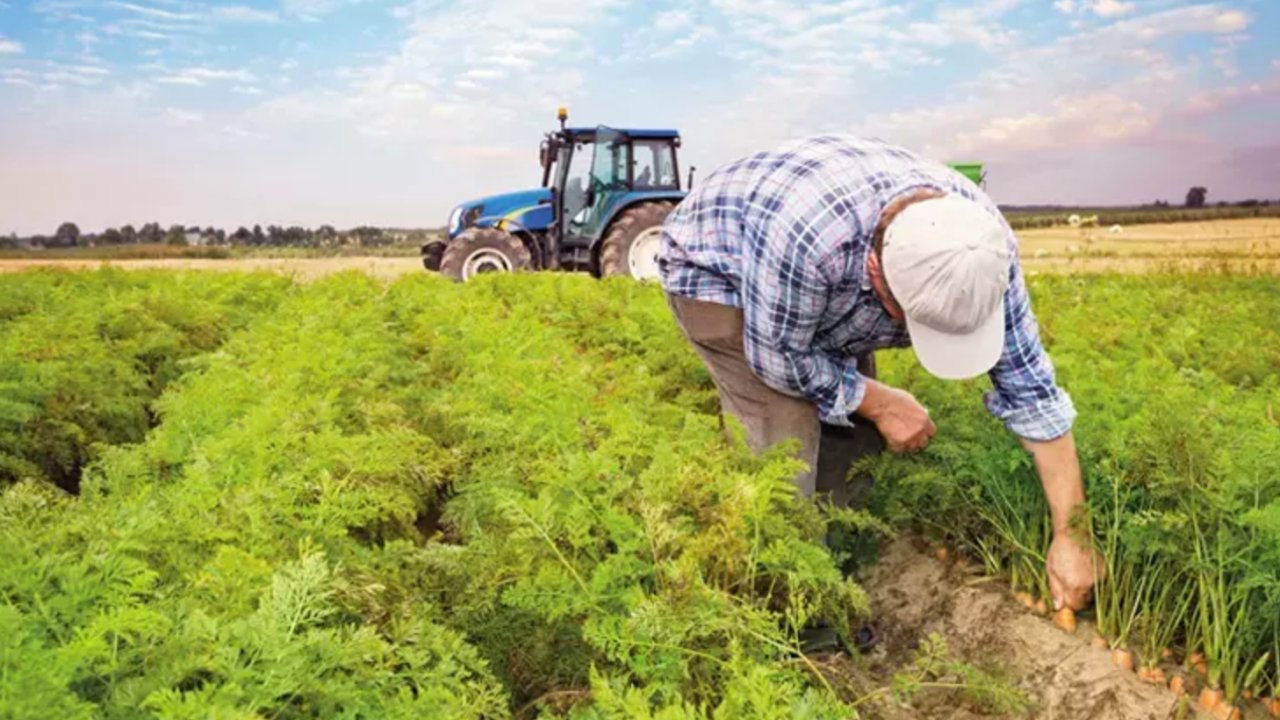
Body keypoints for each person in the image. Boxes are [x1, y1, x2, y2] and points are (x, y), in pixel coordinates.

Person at [657, 134, 1098, 634]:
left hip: (817, 282)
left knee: (856, 441)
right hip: (721, 274)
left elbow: (1032, 394)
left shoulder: (982, 249)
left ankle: (833, 558)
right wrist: (879, 401)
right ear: (875, 271)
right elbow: (778, 359)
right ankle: (788, 610)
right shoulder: (809, 242)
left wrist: (1073, 535)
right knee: (784, 448)